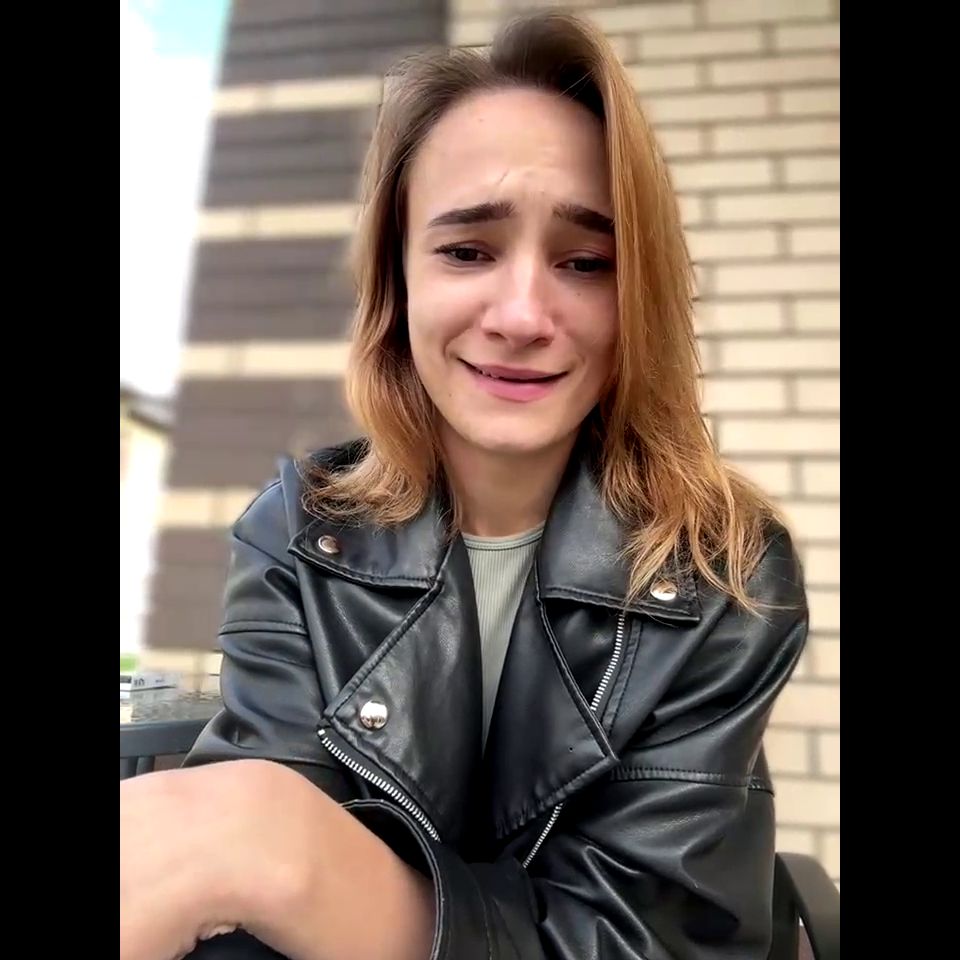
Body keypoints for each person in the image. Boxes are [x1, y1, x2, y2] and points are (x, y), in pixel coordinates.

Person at [119, 11, 808, 960]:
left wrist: (279, 849)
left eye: (586, 262)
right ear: (396, 283)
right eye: (467, 251)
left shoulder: (720, 566)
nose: (521, 315)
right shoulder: (300, 530)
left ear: (637, 298)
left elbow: (635, 939)